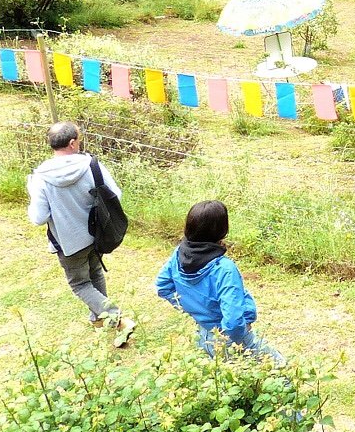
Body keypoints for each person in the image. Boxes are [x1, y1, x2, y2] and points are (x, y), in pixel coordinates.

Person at [26, 121, 135, 346]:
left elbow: (38, 217)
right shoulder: (92, 165)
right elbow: (115, 194)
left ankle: (115, 318)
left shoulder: (40, 178)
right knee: (94, 273)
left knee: (80, 284)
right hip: (95, 235)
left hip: (67, 243)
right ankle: (99, 320)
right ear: (73, 143)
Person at [155, 200, 282, 362]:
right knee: (281, 373)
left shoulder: (179, 253)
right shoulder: (224, 269)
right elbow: (234, 321)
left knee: (226, 380)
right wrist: (237, 338)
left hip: (204, 336)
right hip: (232, 338)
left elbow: (162, 285)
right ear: (223, 230)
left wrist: (194, 310)